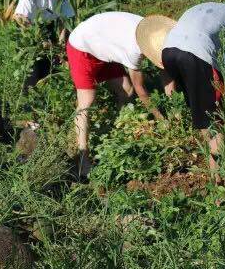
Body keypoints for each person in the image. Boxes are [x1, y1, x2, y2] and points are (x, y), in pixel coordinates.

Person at [135, 1, 225, 175]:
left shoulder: (224, 11)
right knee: (218, 116)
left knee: (202, 114)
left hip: (168, 51)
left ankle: (214, 170)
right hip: (196, 54)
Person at [67, 11, 170, 176]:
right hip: (82, 46)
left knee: (126, 91)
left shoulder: (152, 30)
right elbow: (141, 90)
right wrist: (161, 120)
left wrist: (174, 104)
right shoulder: (134, 50)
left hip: (102, 43)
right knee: (87, 101)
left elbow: (165, 71)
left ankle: (116, 128)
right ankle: (83, 159)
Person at [13, 0, 77, 90]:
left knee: (52, 75)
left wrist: (60, 44)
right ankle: (28, 110)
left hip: (51, 32)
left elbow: (64, 19)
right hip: (31, 33)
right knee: (33, 77)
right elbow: (20, 17)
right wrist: (39, 39)